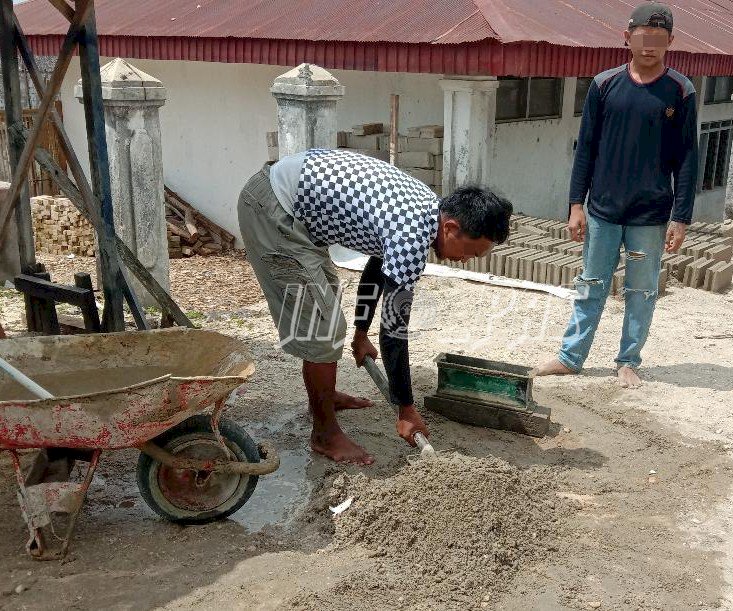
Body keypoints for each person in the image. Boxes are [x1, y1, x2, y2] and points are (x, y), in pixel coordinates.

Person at [238, 148, 512, 465]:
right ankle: (324, 434)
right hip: (272, 212)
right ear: (450, 228)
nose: (465, 261)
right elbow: (394, 332)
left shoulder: (426, 209)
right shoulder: (412, 236)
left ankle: (324, 397)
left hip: (291, 209)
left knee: (326, 311)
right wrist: (406, 409)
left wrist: (359, 333)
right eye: (470, 253)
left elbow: (377, 266)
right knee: (321, 329)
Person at [535, 2, 698, 387]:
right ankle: (570, 357)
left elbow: (688, 157)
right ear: (627, 38)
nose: (649, 47)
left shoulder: (680, 91)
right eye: (642, 38)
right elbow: (586, 148)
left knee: (641, 290)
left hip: (651, 214)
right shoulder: (604, 85)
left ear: (671, 42)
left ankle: (628, 360)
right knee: (590, 283)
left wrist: (682, 216)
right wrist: (576, 204)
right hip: (603, 210)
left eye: (658, 40)